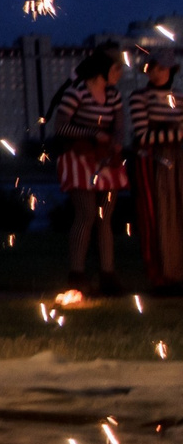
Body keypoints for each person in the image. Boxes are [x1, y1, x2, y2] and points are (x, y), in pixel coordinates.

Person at [46, 48, 128, 298]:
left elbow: (120, 125)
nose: (120, 74)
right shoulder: (77, 92)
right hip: (79, 157)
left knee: (106, 216)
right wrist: (93, 133)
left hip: (105, 159)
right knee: (86, 213)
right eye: (116, 69)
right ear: (103, 70)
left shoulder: (113, 95)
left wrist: (116, 140)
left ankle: (107, 273)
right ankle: (77, 274)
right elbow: (61, 126)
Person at [130, 39, 183, 294]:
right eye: (152, 68)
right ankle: (162, 275)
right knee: (159, 215)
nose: (155, 72)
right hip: (155, 164)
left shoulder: (180, 99)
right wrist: (176, 135)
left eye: (161, 68)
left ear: (172, 70)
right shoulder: (140, 98)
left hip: (179, 164)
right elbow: (142, 136)